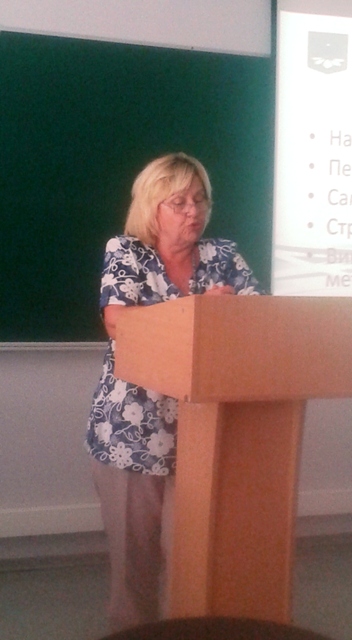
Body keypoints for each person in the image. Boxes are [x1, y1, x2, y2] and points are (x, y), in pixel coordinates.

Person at [85, 152, 264, 633]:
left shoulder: (224, 256)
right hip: (131, 429)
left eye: (200, 200)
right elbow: (118, 321)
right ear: (153, 206)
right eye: (179, 201)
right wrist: (198, 310)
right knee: (135, 558)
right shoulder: (127, 251)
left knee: (193, 554)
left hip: (205, 427)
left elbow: (262, 322)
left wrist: (232, 315)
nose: (194, 211)